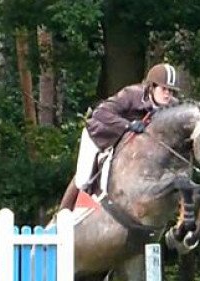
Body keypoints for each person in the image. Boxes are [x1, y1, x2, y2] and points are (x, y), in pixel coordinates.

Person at [66, 63, 180, 207]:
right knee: (83, 179)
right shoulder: (132, 94)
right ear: (152, 87)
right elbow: (100, 113)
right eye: (164, 89)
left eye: (171, 91)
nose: (167, 95)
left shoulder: (172, 106)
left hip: (128, 144)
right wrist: (128, 125)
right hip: (100, 135)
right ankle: (66, 213)